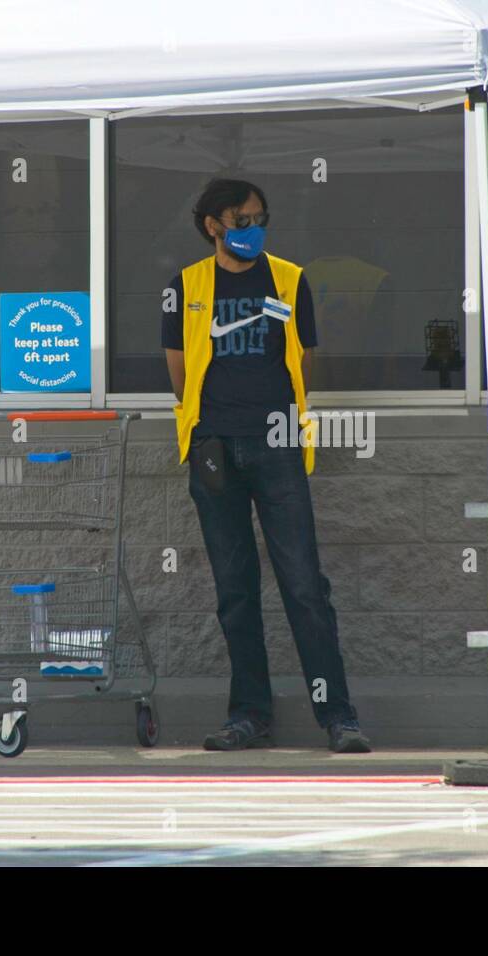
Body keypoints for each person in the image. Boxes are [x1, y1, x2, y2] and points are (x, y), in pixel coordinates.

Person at [161, 178, 371, 754]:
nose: (253, 227)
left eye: (260, 217)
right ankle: (249, 716)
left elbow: (305, 360)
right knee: (235, 589)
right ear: (213, 226)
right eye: (241, 219)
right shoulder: (185, 287)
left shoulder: (291, 278)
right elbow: (178, 372)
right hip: (214, 451)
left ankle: (339, 716)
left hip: (277, 445)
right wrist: (207, 426)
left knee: (304, 585)